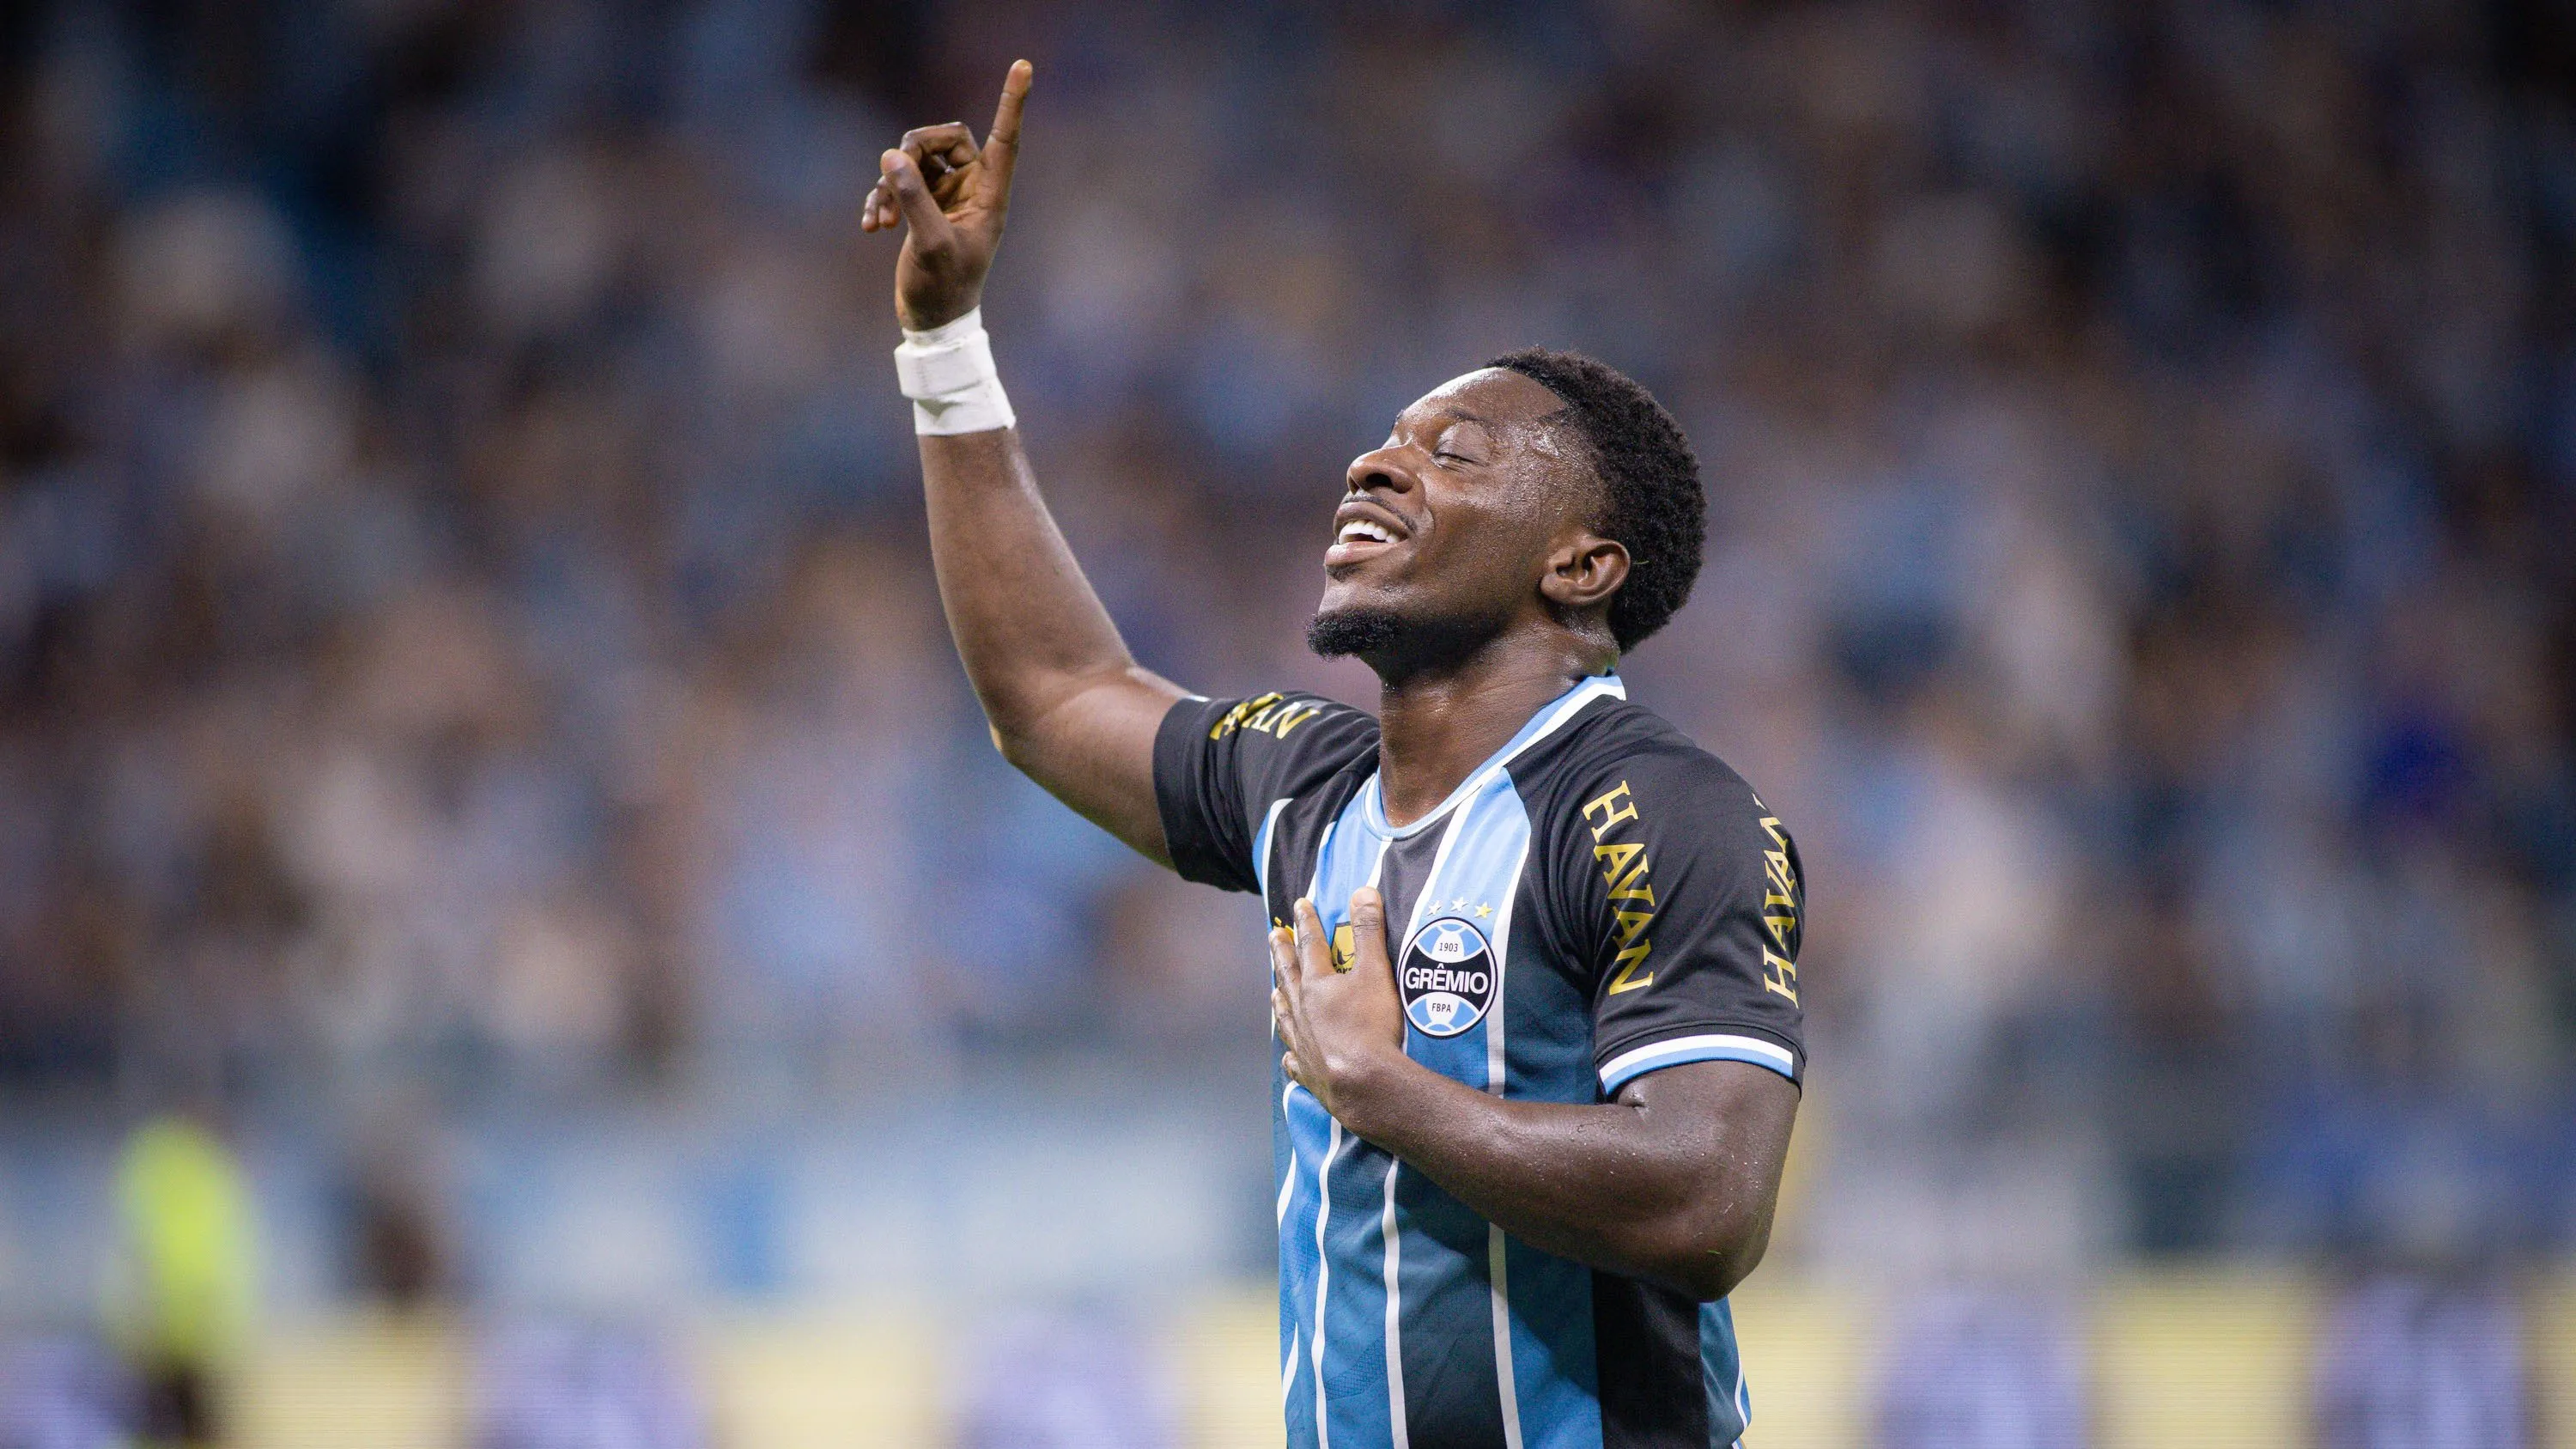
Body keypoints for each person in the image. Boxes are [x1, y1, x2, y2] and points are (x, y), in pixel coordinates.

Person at [863, 62, 1806, 1449]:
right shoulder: (1308, 785)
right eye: (1382, 441)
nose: (1376, 465)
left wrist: (1388, 1092)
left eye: (1456, 453)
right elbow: (1054, 694)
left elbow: (1710, 1197)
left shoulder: (1657, 807)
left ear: (1585, 562)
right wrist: (945, 338)